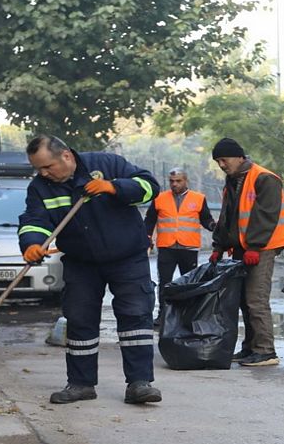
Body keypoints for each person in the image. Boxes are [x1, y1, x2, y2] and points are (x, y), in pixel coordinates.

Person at [18, 135, 162, 404]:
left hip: (127, 257)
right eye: (38, 169)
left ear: (66, 157)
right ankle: (81, 384)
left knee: (135, 316)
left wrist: (113, 187)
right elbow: (34, 219)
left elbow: (150, 187)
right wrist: (32, 243)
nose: (43, 173)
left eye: (47, 167)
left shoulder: (108, 164)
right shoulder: (40, 187)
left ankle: (140, 383)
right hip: (81, 262)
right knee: (80, 319)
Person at [210, 137, 284, 366]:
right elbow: (228, 217)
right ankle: (250, 347)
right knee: (244, 300)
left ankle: (266, 351)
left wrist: (254, 247)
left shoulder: (264, 178)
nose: (222, 165)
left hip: (261, 248)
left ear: (238, 156)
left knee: (255, 299)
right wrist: (219, 246)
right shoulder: (233, 181)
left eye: (223, 160)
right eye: (218, 162)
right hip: (243, 248)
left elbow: (265, 216)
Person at [144, 167, 216, 327]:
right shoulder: (160, 199)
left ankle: (188, 315)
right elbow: (149, 221)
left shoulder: (198, 198)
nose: (174, 184)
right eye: (171, 181)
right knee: (165, 282)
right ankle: (163, 315)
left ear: (186, 181)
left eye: (178, 181)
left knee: (190, 283)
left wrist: (215, 227)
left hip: (188, 247)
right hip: (166, 247)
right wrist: (147, 238)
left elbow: (206, 219)